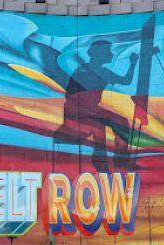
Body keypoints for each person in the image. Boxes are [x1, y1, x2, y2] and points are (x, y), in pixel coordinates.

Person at [55, 40, 139, 171]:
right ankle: (101, 163)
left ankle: (120, 159)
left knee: (121, 122)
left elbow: (125, 81)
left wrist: (133, 63)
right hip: (79, 110)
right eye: (108, 51)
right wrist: (133, 63)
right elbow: (125, 81)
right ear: (100, 54)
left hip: (91, 109)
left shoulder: (96, 71)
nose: (111, 54)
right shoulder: (88, 71)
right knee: (98, 127)